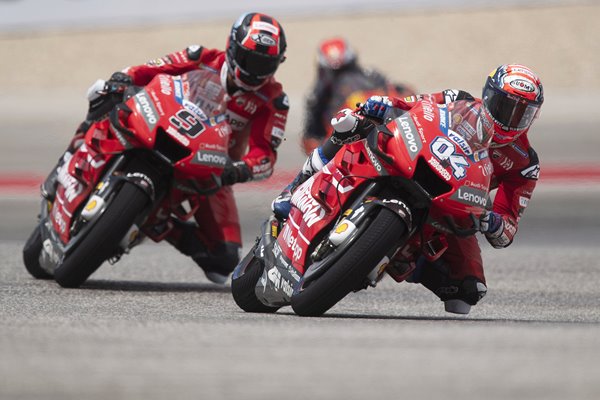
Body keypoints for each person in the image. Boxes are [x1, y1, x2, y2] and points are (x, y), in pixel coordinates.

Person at [272, 64, 544, 314]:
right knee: (356, 123)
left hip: (451, 204)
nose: (511, 119)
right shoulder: (458, 100)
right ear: (488, 95)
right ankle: (298, 184)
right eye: (505, 106)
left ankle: (397, 258)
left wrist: (492, 221)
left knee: (468, 292)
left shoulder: (524, 164)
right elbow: (418, 105)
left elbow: (507, 229)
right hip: (415, 160)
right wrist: (386, 105)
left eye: (523, 113)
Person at [42, 12, 290, 284]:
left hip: (209, 164)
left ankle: (160, 224)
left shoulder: (274, 100)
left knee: (223, 261)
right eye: (249, 59)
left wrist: (238, 170)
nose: (255, 71)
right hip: (160, 126)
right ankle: (71, 155)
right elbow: (148, 70)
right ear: (232, 48)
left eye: (264, 64)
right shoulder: (200, 57)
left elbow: (264, 155)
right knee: (103, 96)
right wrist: (122, 79)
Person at [301, 37, 414, 155]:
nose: (346, 80)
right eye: (336, 74)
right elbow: (310, 141)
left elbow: (403, 93)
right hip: (346, 142)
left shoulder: (372, 74)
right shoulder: (316, 97)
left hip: (388, 123)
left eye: (347, 70)